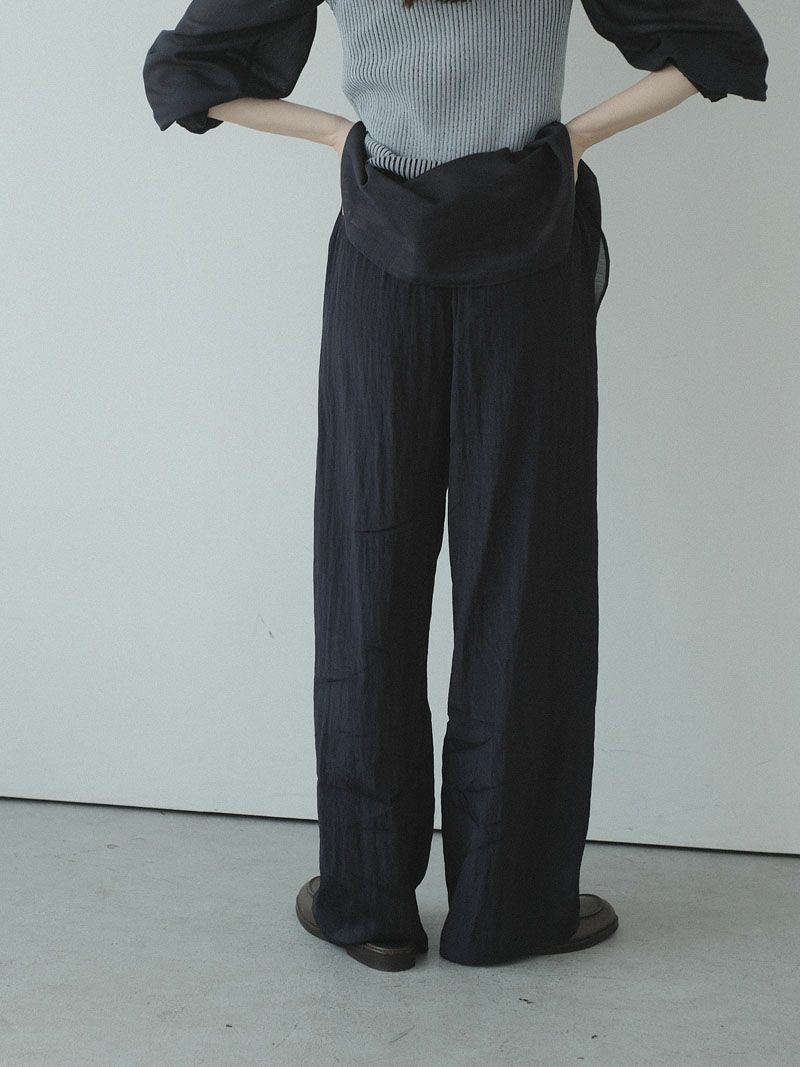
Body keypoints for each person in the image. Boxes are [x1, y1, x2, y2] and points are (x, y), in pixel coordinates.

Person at [143, 0, 769, 972]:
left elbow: (186, 71)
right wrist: (569, 142)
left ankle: (369, 904)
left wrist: (339, 134)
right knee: (526, 577)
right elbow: (718, 47)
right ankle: (508, 909)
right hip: (525, 264)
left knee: (366, 575)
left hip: (380, 259)